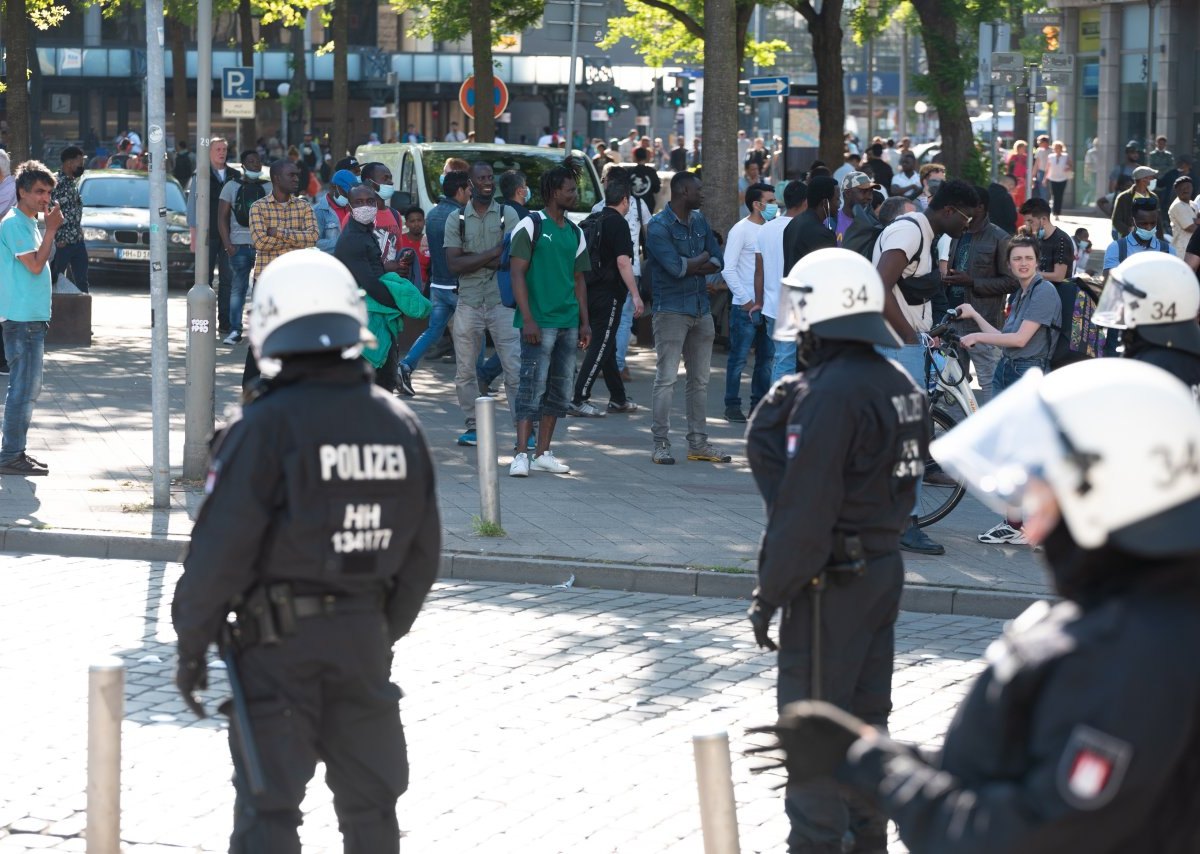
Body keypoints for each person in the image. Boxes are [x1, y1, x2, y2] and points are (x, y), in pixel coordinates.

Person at [758, 357, 1200, 854]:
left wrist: (870, 767)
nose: (1031, 528)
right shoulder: (1156, 626)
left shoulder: (1115, 657)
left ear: (1104, 495)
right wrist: (892, 758)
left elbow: (1018, 838)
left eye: (1042, 500)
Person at [172, 250, 439, 854]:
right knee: (371, 817)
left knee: (270, 820)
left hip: (276, 653)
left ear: (269, 325)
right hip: (365, 646)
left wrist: (192, 649)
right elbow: (422, 558)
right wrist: (374, 628)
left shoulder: (261, 427)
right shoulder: (400, 425)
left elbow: (218, 555)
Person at [746, 247, 927, 854]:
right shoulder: (897, 383)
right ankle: (866, 842)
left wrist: (769, 593)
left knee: (814, 736)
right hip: (881, 570)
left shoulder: (830, 395)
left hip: (830, 581)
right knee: (867, 726)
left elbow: (804, 509)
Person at [873, 180, 975, 556]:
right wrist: (907, 337)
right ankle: (905, 524)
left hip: (898, 344)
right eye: (967, 217)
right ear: (950, 211)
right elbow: (878, 285)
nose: (968, 226)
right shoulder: (910, 230)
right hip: (895, 346)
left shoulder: (922, 235)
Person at [956, 236, 1061, 545]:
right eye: (1017, 259)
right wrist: (974, 315)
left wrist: (977, 336)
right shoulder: (1021, 292)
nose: (1023, 263)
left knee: (1024, 455)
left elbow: (1020, 340)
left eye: (1028, 258)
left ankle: (1029, 525)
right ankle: (1018, 523)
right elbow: (1006, 334)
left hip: (1027, 373)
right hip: (1009, 370)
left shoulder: (1045, 292)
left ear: (1037, 260)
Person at [506, 160, 593, 476]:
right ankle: (520, 453)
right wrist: (527, 318)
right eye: (569, 189)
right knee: (531, 386)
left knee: (559, 390)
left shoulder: (574, 231)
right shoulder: (531, 225)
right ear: (554, 192)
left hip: (568, 322)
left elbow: (579, 279)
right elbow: (517, 273)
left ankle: (543, 452)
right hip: (539, 323)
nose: (574, 194)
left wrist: (585, 322)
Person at [643, 171, 726, 465]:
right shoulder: (657, 226)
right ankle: (660, 443)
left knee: (700, 381)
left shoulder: (700, 220)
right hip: (671, 311)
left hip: (701, 308)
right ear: (682, 192)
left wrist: (696, 263)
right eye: (698, 189)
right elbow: (675, 267)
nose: (702, 193)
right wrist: (698, 261)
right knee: (666, 379)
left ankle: (698, 443)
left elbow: (718, 260)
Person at [442, 161, 523, 447]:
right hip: (469, 302)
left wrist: (472, 259)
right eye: (482, 178)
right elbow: (453, 264)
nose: (488, 181)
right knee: (465, 372)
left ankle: (523, 429)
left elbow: (511, 259)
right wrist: (493, 253)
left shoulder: (507, 213)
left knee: (513, 369)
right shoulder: (457, 218)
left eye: (490, 177)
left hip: (502, 302)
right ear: (470, 184)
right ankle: (474, 426)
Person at [0, 160, 62, 476]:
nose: (45, 198)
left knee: (28, 388)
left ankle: (15, 452)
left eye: (48, 192)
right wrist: (51, 228)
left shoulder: (28, 222)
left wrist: (46, 227)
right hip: (21, 319)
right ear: (21, 191)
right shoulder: (13, 223)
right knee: (23, 389)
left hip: (31, 318)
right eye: (39, 191)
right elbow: (35, 266)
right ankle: (10, 454)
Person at [570, 175, 644, 418]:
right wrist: (635, 295)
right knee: (601, 345)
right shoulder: (619, 224)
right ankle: (579, 398)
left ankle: (618, 398)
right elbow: (624, 262)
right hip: (609, 293)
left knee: (608, 346)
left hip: (588, 289)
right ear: (625, 200)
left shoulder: (592, 219)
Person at [940, 185, 1017, 406]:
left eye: (966, 207)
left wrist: (972, 282)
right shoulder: (959, 233)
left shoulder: (999, 238)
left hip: (983, 326)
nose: (961, 212)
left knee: (992, 386)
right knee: (951, 389)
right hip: (952, 324)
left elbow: (1012, 282)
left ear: (981, 207)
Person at [398, 171, 472, 396]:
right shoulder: (459, 215)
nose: (471, 193)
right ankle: (480, 378)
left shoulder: (434, 214)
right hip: (457, 285)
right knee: (473, 331)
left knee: (433, 331)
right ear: (460, 190)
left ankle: (406, 365)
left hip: (438, 284)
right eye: (469, 189)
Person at [1093, 252, 1200, 400]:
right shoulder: (1186, 356)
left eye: (1125, 299)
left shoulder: (1152, 369)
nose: (1121, 307)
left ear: (1156, 306)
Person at [721, 182, 776, 423]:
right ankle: (732, 405)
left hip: (769, 305)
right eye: (771, 201)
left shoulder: (772, 230)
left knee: (766, 360)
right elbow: (728, 269)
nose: (775, 206)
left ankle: (758, 405)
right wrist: (745, 300)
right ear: (757, 204)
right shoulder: (740, 230)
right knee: (739, 358)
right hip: (746, 307)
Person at [217, 150, 271, 344]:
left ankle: (254, 331)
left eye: (257, 161)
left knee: (259, 289)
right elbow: (221, 217)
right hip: (238, 245)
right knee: (238, 288)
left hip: (263, 247)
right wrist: (228, 244)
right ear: (243, 165)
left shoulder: (269, 187)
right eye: (251, 161)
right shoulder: (231, 186)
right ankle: (235, 329)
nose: (255, 165)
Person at [187, 136, 237, 335]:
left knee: (227, 280)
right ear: (209, 152)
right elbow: (192, 207)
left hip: (229, 236)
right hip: (207, 235)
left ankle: (225, 323)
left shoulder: (234, 175)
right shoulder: (201, 174)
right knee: (203, 279)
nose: (222, 152)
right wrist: (193, 236)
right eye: (218, 149)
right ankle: (202, 321)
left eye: (224, 149)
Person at [757, 179, 806, 384]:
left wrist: (759, 302)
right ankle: (778, 411)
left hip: (770, 306)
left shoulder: (766, 229)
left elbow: (758, 271)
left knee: (780, 360)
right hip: (792, 307)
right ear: (805, 202)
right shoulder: (803, 229)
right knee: (786, 363)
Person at [249, 160, 319, 282]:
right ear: (277, 179)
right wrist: (297, 242)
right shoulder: (258, 207)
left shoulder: (304, 206)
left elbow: (313, 237)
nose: (297, 179)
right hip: (266, 279)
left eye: (297, 175)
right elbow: (260, 242)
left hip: (296, 278)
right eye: (291, 175)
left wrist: (278, 232)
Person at [49, 146, 89, 293]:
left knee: (81, 282)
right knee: (54, 279)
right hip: (62, 243)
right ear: (69, 163)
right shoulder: (54, 183)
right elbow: (50, 211)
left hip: (77, 241)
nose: (82, 166)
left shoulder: (73, 183)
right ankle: (50, 312)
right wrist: (57, 237)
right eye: (80, 162)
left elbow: (74, 211)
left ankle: (82, 314)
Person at [1103, 196, 1175, 274]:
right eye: (1144, 224)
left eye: (1153, 223)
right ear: (1132, 221)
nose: (1149, 228)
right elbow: (1109, 281)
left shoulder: (1168, 251)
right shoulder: (1116, 249)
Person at [783, 177, 838, 275]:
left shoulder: (793, 223)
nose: (839, 204)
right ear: (825, 203)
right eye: (837, 199)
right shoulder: (822, 235)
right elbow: (829, 273)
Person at [1019, 197, 1074, 282]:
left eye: (1031, 221)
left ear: (1043, 219)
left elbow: (1059, 276)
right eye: (1026, 222)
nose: (1027, 226)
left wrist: (1028, 273)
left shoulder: (1061, 240)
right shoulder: (1037, 238)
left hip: (1056, 293)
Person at [314, 169, 359, 254]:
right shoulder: (318, 211)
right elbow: (314, 243)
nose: (349, 197)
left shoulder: (354, 208)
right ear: (334, 187)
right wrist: (344, 243)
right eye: (346, 193)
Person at [1111, 165, 1158, 239]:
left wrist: (1160, 241)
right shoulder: (1124, 197)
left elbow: (1158, 219)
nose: (1154, 180)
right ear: (1143, 179)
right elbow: (1116, 220)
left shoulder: (1153, 197)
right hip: (1129, 239)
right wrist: (1128, 231)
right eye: (1151, 178)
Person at [836, 172, 878, 247]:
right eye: (863, 192)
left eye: (871, 192)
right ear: (848, 193)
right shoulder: (831, 222)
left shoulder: (874, 223)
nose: (869, 197)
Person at [399, 206, 431, 287]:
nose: (416, 224)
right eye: (412, 221)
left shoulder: (430, 241)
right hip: (404, 285)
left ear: (424, 221)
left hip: (425, 287)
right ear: (406, 223)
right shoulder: (399, 240)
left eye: (419, 220)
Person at [1167, 176, 1197, 258]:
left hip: (1193, 249)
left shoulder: (1193, 204)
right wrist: (1196, 221)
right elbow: (1191, 227)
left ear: (1192, 188)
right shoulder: (1177, 205)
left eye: (1188, 187)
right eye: (1182, 188)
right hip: (1182, 250)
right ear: (1176, 190)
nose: (1185, 190)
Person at [1044, 140, 1072, 218]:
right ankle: (1054, 211)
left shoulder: (1066, 156)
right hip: (1052, 178)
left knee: (1060, 195)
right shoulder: (1050, 156)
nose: (1057, 149)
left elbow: (1070, 165)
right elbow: (1047, 168)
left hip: (1062, 178)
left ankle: (1057, 212)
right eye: (1056, 148)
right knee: (1054, 195)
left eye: (1059, 148)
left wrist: (1068, 168)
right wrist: (1045, 179)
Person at [629, 146, 661, 214]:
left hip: (632, 206)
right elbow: (657, 189)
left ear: (635, 157)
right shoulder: (651, 171)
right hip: (648, 205)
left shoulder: (630, 171)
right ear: (646, 157)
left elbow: (626, 189)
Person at [1031, 135, 1051, 200]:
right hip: (1041, 171)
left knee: (1049, 190)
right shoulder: (1039, 150)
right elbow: (1037, 163)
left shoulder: (1052, 150)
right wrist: (1033, 174)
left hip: (1051, 173)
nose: (1038, 143)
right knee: (1042, 190)